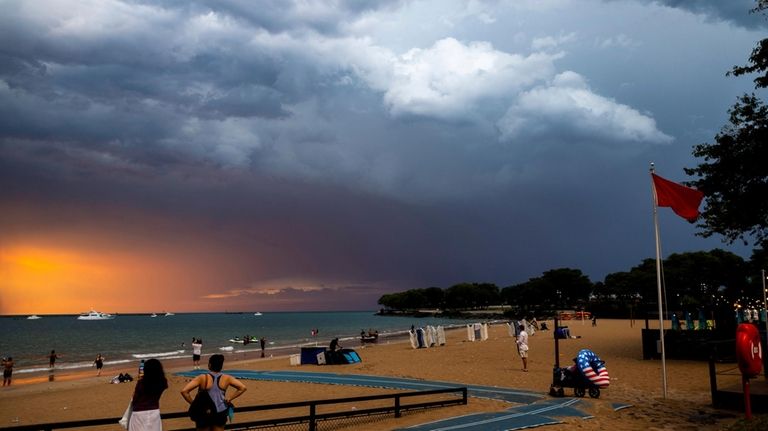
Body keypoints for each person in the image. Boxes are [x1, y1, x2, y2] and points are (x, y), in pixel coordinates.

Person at [181, 354, 247, 431]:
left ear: (209, 365)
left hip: (204, 412)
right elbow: (242, 388)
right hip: (220, 412)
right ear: (221, 366)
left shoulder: (202, 377)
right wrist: (230, 398)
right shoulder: (227, 378)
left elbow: (184, 391)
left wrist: (194, 404)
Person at [129, 358, 168, 430]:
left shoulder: (142, 383)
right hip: (154, 411)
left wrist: (140, 380)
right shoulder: (162, 382)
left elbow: (134, 399)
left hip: (139, 413)